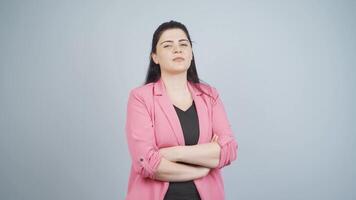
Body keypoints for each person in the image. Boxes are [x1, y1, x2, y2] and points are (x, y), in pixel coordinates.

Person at [124, 20, 238, 200]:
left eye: (183, 44)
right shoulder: (140, 97)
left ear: (191, 53)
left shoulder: (210, 96)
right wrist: (202, 167)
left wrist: (173, 153)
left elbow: (228, 150)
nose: (177, 49)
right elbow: (147, 163)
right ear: (155, 57)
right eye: (168, 45)